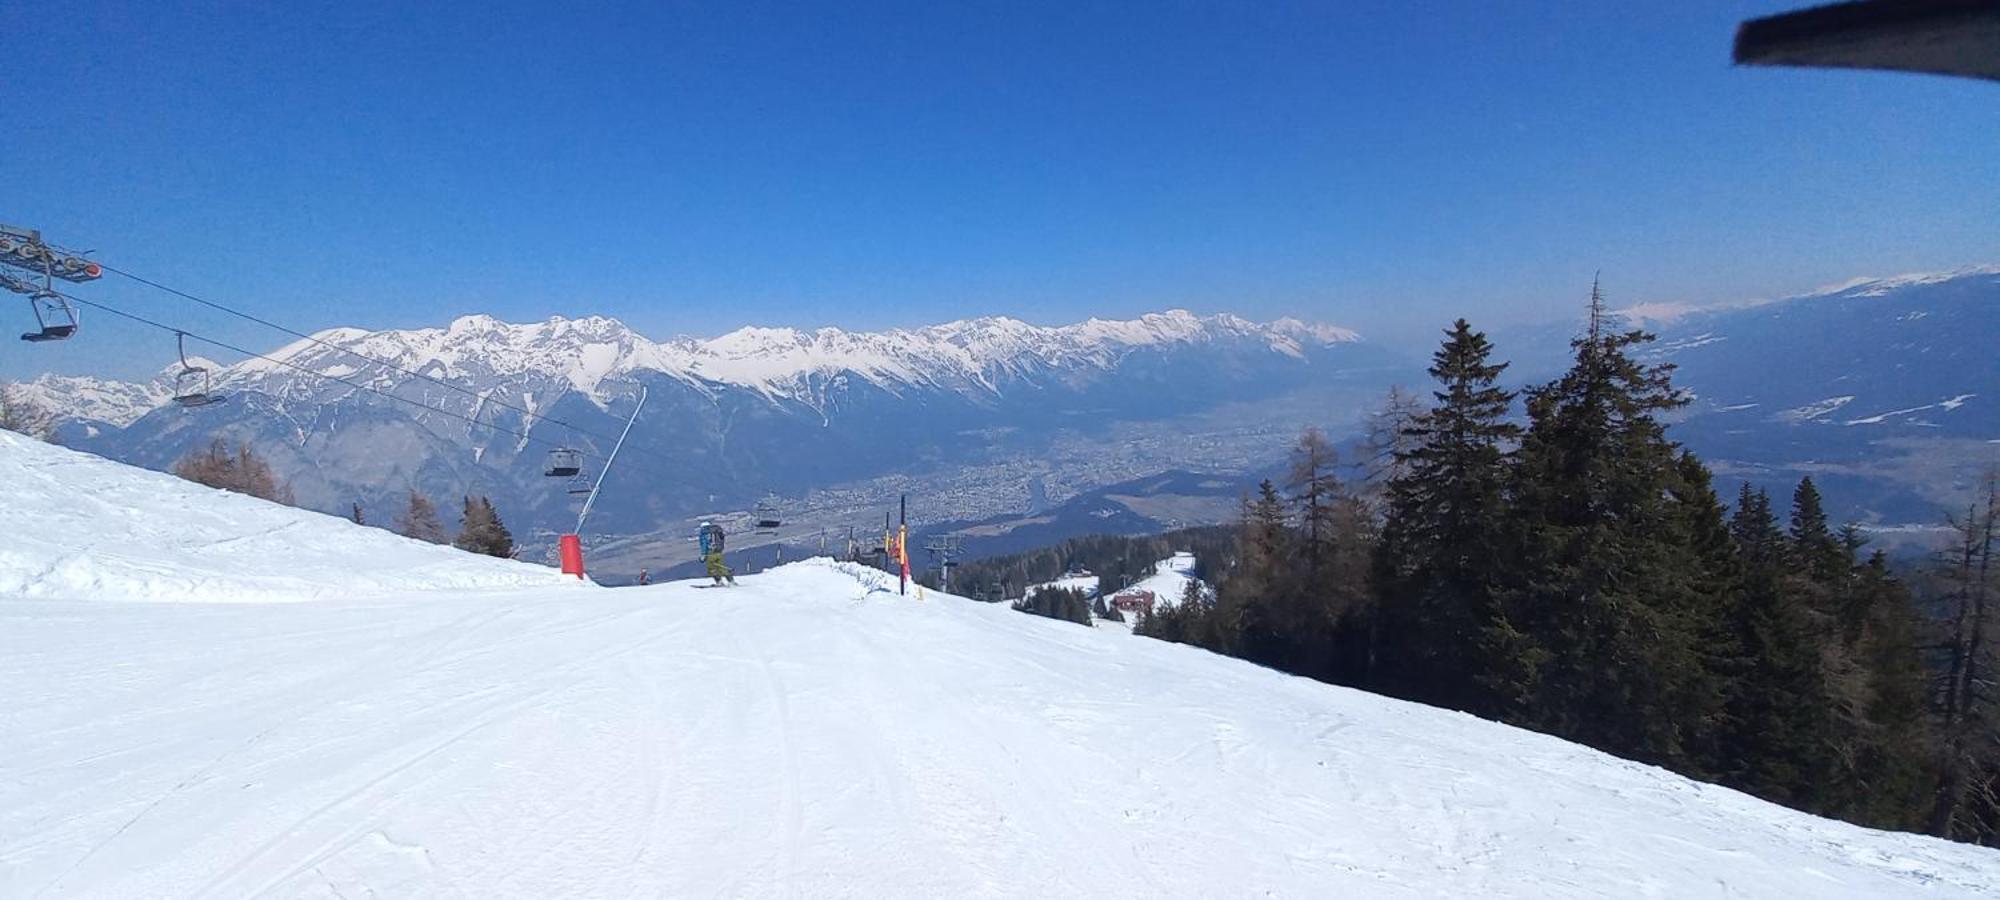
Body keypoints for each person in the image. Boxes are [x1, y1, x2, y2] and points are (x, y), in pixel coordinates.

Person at [698, 521, 736, 586]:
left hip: (710, 553)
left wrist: (703, 554)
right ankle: (731, 581)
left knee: (712, 569)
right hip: (719, 552)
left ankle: (719, 582)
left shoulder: (704, 534)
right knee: (721, 567)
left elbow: (704, 545)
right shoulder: (716, 532)